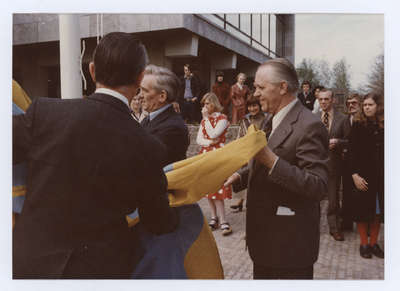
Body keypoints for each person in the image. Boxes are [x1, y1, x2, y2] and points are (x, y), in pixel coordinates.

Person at [12, 32, 179, 279]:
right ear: (140, 77)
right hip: (100, 271)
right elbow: (158, 222)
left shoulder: (44, 112)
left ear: (92, 71)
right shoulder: (148, 146)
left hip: (29, 264)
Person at [224, 58, 329, 279]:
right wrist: (239, 177)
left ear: (282, 87)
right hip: (265, 245)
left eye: (261, 87)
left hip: (288, 250)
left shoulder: (309, 124)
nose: (255, 93)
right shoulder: (272, 119)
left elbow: (319, 186)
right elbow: (264, 162)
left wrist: (272, 161)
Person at [347, 92, 384, 259]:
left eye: (371, 104)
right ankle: (364, 243)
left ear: (379, 106)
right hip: (363, 176)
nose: (367, 107)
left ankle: (374, 243)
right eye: (365, 105)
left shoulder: (386, 124)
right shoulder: (358, 124)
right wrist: (354, 175)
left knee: (377, 211)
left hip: (381, 177)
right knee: (363, 210)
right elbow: (351, 152)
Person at [316, 89, 351, 241]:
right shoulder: (313, 118)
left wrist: (338, 142)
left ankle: (335, 228)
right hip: (315, 164)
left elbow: (351, 141)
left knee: (333, 200)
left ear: (333, 101)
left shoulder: (343, 119)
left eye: (326, 99)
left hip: (334, 164)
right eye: (320, 99)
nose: (323, 102)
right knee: (313, 198)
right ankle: (312, 227)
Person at [197, 92, 233, 236]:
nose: (204, 107)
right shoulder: (204, 121)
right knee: (208, 188)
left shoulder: (222, 118)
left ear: (213, 104)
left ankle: (223, 220)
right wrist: (210, 143)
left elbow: (214, 134)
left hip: (218, 155)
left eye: (207, 104)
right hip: (206, 155)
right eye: (203, 104)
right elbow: (199, 139)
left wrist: (206, 119)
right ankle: (214, 217)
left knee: (218, 187)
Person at [139, 64, 189, 167]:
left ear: (162, 96)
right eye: (140, 90)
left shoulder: (172, 128)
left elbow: (143, 160)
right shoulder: (151, 118)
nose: (140, 95)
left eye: (145, 90)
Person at [230, 94, 271, 211]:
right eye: (250, 106)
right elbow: (240, 137)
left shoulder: (267, 119)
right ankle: (246, 203)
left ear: (259, 105)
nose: (252, 109)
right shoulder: (246, 120)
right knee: (247, 177)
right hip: (248, 155)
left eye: (255, 106)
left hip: (263, 154)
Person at [341, 92, 363, 231]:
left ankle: (364, 222)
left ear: (360, 104)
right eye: (349, 103)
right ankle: (347, 221)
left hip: (362, 163)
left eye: (354, 103)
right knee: (347, 192)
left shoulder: (365, 120)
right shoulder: (346, 119)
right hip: (346, 162)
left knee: (362, 193)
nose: (350, 105)